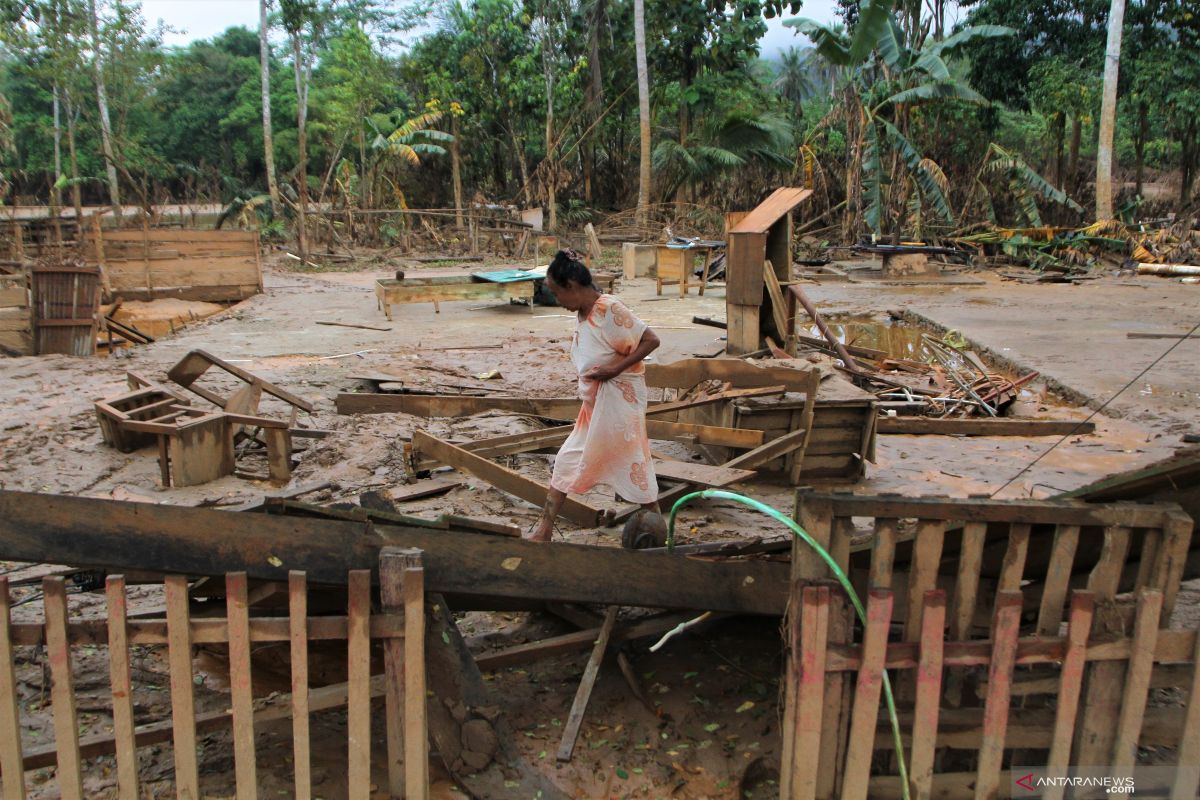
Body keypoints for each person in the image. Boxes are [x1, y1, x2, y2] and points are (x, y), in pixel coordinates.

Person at [526, 250, 661, 542]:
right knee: (565, 461)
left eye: (556, 293)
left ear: (571, 286)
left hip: (619, 405)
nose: (557, 301)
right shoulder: (583, 313)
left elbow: (651, 340)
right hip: (594, 407)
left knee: (633, 463)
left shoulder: (608, 309)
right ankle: (544, 530)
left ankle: (658, 527)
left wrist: (614, 369)